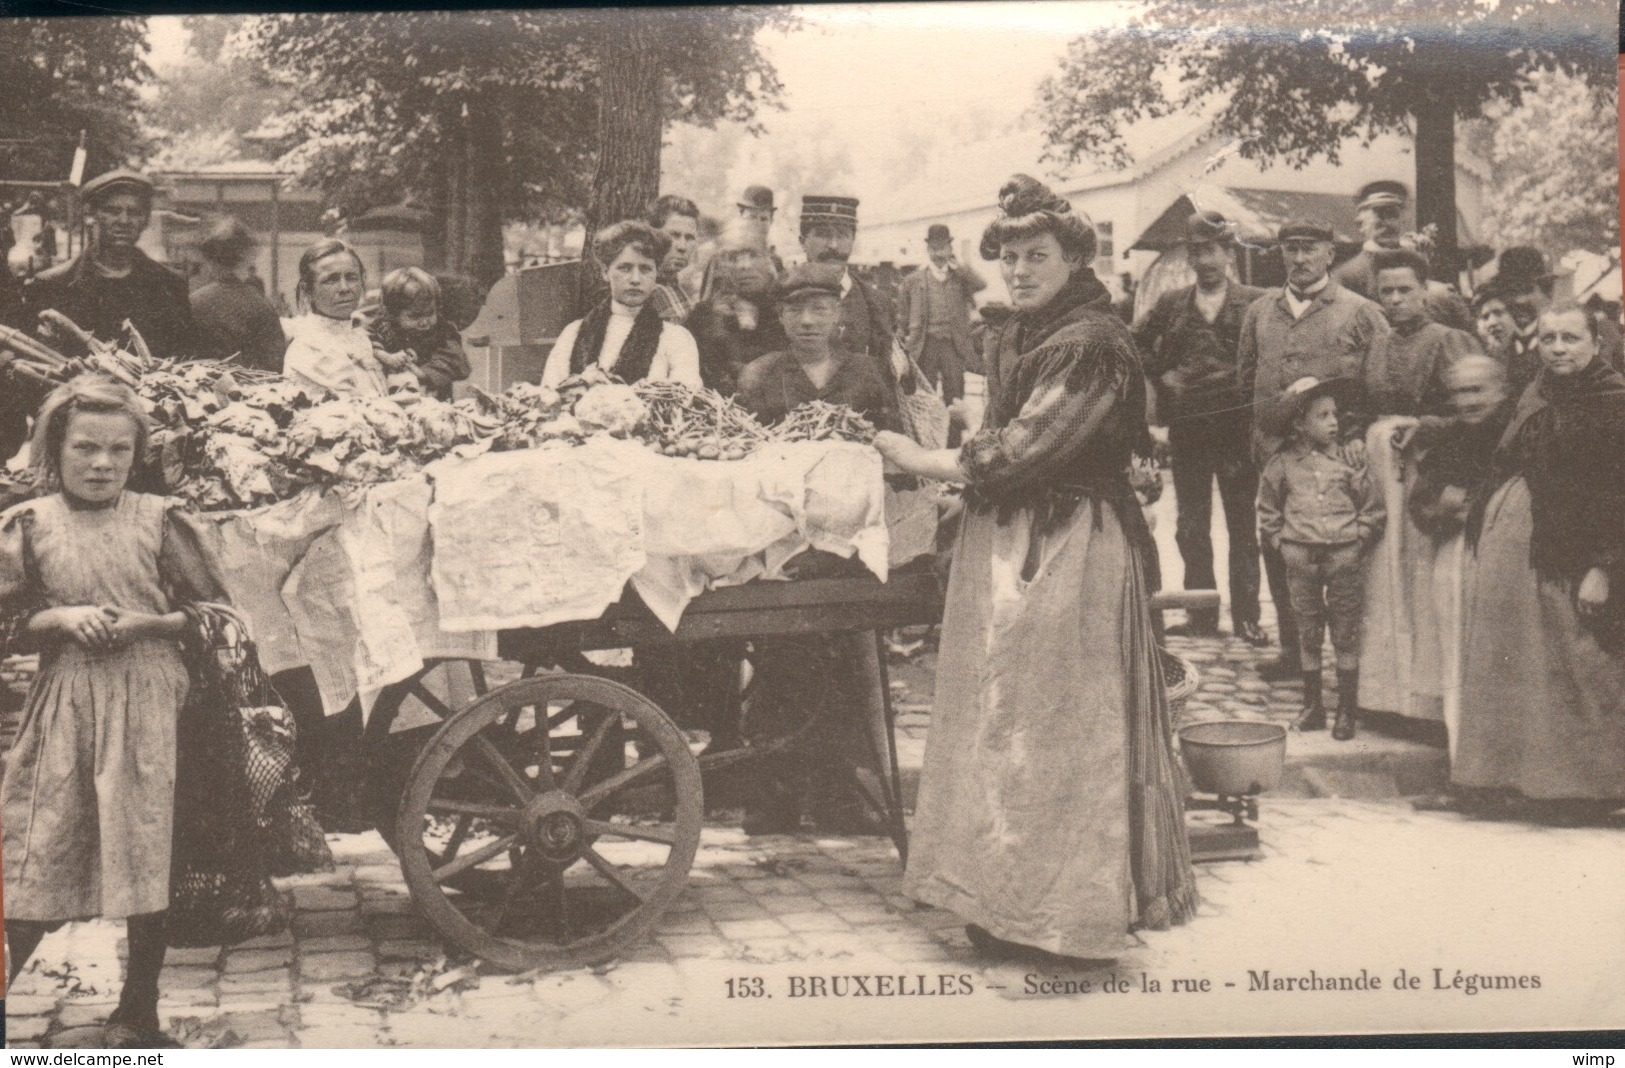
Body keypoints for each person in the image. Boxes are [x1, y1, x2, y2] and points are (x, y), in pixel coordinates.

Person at [875, 175, 1197, 961]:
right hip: (1009, 538)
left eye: (1036, 256)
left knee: (1056, 729)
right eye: (1009, 257)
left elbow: (1018, 452)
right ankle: (997, 901)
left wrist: (916, 455)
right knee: (998, 722)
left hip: (1068, 549)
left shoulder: (1090, 343)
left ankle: (1060, 918)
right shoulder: (1022, 331)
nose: (1018, 270)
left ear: (1074, 258)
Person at [0, 376, 224, 1048]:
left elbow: (217, 615)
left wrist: (149, 625)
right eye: (85, 449)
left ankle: (138, 1011)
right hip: (65, 701)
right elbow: (7, 621)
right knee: (35, 844)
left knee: (143, 847)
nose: (101, 464)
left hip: (153, 699)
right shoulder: (29, 524)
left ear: (136, 456)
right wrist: (58, 617)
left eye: (118, 452)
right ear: (55, 450)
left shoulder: (160, 519)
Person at [731, 263, 902, 835]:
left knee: (846, 665)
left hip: (849, 544)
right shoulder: (760, 377)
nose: (808, 321)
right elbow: (737, 464)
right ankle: (773, 793)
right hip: (779, 543)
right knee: (780, 661)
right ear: (780, 317)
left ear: (839, 316)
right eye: (796, 310)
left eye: (820, 309)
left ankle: (837, 792)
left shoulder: (866, 374)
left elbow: (893, 451)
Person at [1455, 304, 1625, 822]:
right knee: (1520, 664)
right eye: (1549, 338)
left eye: (1571, 338)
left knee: (1581, 664)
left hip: (1573, 557)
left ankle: (1592, 787)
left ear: (1597, 343)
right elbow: (1500, 451)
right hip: (1518, 557)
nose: (1558, 348)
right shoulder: (1538, 390)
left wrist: (1605, 566)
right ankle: (1519, 779)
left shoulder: (1614, 403)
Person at [1238, 219, 1390, 681]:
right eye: (1291, 249)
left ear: (1329, 253)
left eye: (1310, 249)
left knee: (1343, 561)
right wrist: (1262, 440)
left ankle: (1351, 665)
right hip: (1278, 460)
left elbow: (1378, 386)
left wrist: (1352, 435)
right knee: (1282, 550)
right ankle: (1292, 650)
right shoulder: (1261, 311)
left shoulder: (1360, 311)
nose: (1300, 259)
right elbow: (1245, 382)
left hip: (1338, 461)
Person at [1353, 249, 1480, 725]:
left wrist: (1422, 424)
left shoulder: (1451, 341)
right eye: (1386, 291)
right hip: (1382, 471)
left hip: (1428, 469)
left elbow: (1475, 414)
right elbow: (1366, 406)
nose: (1396, 299)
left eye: (1406, 289)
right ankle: (1387, 698)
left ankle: (1427, 702)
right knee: (1383, 574)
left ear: (1425, 292)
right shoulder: (1379, 344)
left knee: (1422, 576)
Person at [1131, 210, 1268, 644]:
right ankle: (1202, 614)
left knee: (1243, 526)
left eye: (1211, 251)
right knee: (1191, 526)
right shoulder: (1173, 304)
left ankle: (1247, 617)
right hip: (1189, 430)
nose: (1204, 261)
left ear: (1228, 253)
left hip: (1237, 430)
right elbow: (1132, 343)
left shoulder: (1256, 303)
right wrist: (1163, 376)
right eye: (1196, 252)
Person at [1390, 355, 1515, 762]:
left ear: (1502, 390)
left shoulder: (1519, 435)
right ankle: (1465, 761)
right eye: (1460, 392)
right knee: (1456, 660)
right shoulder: (1449, 441)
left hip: (1510, 562)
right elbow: (1421, 505)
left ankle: (1506, 766)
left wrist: (1481, 506)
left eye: (1478, 390)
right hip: (1456, 557)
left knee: (1506, 660)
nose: (1469, 400)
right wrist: (1442, 508)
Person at [1256, 377, 1385, 739]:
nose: (1333, 422)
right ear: (1299, 424)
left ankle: (1346, 709)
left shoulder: (1348, 461)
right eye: (1322, 415)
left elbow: (1372, 507)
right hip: (1301, 560)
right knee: (1307, 631)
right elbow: (1268, 510)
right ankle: (1313, 706)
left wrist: (1357, 540)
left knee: (1345, 631)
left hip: (1343, 557)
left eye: (1335, 414)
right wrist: (1284, 544)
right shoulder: (1281, 465)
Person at [25, 170, 201, 360]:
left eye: (134, 213)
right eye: (112, 211)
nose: (124, 221)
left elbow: (186, 359)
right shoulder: (54, 285)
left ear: (145, 220)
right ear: (91, 216)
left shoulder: (170, 285)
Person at [541, 220, 702, 389]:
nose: (635, 279)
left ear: (656, 273)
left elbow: (684, 402)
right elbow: (549, 397)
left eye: (645, 269)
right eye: (625, 268)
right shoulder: (573, 334)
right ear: (605, 272)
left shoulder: (676, 339)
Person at [1331, 180, 1472, 332]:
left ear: (1403, 218)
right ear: (1361, 223)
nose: (1388, 224)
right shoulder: (1347, 275)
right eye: (1379, 217)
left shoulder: (1419, 260)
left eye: (1393, 215)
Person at [798, 194, 900, 392]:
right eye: (823, 234)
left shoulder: (878, 304)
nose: (834, 246)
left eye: (843, 235)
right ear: (803, 241)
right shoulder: (778, 297)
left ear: (853, 241)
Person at [283, 238, 404, 399]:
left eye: (351, 277)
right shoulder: (308, 347)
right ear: (307, 290)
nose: (344, 288)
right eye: (331, 279)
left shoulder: (360, 338)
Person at [687, 222, 787, 395]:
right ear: (723, 264)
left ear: (769, 256)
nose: (744, 265)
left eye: (753, 255)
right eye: (733, 257)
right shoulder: (704, 317)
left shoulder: (790, 309)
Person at [896, 224, 987, 405]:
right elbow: (903, 318)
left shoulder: (960, 277)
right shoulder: (913, 280)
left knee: (955, 397)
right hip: (924, 345)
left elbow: (981, 285)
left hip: (953, 345)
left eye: (942, 248)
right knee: (925, 396)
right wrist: (903, 345)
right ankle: (929, 433)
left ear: (950, 249)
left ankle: (954, 433)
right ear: (928, 250)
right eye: (934, 249)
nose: (938, 254)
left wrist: (962, 266)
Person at [189, 217, 287, 372]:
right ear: (247, 257)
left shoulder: (193, 301)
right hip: (253, 390)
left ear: (209, 259)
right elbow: (275, 364)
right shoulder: (260, 304)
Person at [366, 267, 472, 401]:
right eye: (415, 316)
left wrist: (423, 373)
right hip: (392, 400)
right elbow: (365, 342)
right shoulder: (384, 328)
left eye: (430, 313)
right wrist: (386, 356)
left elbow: (457, 361)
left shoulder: (442, 331)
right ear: (393, 315)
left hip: (435, 401)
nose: (425, 322)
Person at [645, 194, 701, 324]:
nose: (682, 247)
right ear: (652, 236)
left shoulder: (675, 287)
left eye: (689, 238)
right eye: (674, 235)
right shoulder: (645, 291)